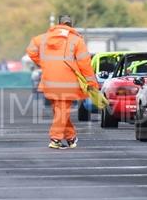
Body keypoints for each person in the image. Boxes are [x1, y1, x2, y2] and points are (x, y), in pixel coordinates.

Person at [26, 14, 97, 149]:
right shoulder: (76, 40)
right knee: (62, 112)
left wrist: (43, 63)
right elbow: (85, 64)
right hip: (68, 84)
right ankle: (56, 139)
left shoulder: (44, 38)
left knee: (60, 112)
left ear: (58, 24)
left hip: (49, 82)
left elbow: (30, 50)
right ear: (71, 25)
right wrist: (92, 83)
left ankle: (70, 138)